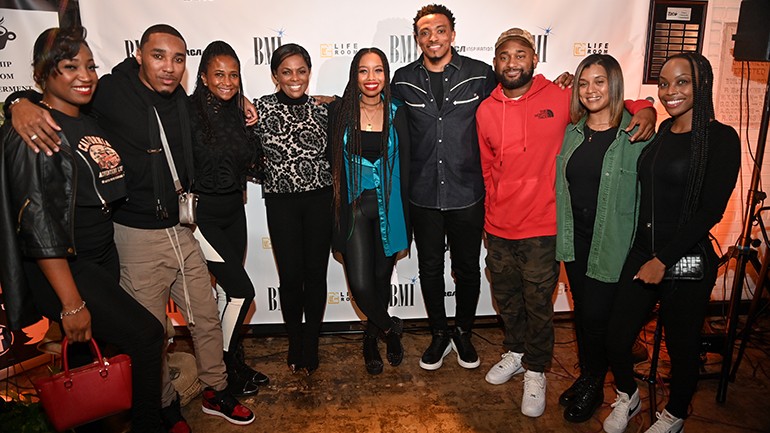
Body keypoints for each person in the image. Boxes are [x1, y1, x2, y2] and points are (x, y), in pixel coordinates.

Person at [5, 24, 255, 432]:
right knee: (151, 333)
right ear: (139, 55)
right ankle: (164, 407)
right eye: (158, 56)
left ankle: (215, 389)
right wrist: (17, 102)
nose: (169, 68)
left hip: (181, 228)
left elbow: (220, 103)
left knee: (205, 314)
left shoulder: (183, 102)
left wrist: (243, 102)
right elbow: (55, 92)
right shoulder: (109, 91)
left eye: (178, 59)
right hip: (134, 236)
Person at [476, 28, 655, 418]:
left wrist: (646, 106)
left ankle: (537, 370)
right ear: (496, 63)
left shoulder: (560, 97)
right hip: (499, 226)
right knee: (507, 300)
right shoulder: (485, 109)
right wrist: (491, 213)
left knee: (539, 304)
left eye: (520, 54)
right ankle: (516, 352)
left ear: (534, 59)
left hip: (543, 226)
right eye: (504, 56)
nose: (512, 63)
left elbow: (611, 103)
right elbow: (488, 167)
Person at [0, 27, 165, 433]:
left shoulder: (89, 119)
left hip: (100, 254)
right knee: (146, 336)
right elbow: (38, 223)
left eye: (89, 65)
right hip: (66, 264)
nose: (85, 75)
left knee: (85, 361)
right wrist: (70, 303)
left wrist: (15, 101)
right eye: (70, 66)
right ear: (43, 73)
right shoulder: (36, 128)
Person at [602, 52, 740, 433]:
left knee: (681, 348)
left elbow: (710, 210)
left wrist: (664, 259)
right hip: (644, 252)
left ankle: (676, 413)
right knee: (616, 336)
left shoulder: (721, 139)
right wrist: (644, 107)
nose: (670, 91)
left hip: (686, 259)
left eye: (682, 82)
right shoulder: (662, 131)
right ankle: (627, 396)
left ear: (702, 85)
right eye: (663, 83)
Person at [390, 3, 496, 372]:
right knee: (430, 268)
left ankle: (463, 332)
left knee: (467, 268)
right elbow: (371, 110)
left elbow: (518, 98)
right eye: (424, 32)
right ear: (417, 38)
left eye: (439, 30)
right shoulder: (402, 80)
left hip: (468, 192)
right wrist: (332, 103)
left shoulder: (482, 75)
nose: (432, 38)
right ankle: (439, 333)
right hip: (422, 194)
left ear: (452, 34)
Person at [554, 54, 652, 423]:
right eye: (583, 83)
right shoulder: (573, 131)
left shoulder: (638, 133)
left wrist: (647, 108)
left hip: (613, 245)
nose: (591, 90)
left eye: (599, 81)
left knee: (599, 320)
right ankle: (588, 376)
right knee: (584, 315)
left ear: (614, 85)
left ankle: (597, 385)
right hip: (576, 241)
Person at [190, 40, 268, 395]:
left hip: (234, 211)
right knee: (242, 291)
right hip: (202, 217)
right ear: (204, 77)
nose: (227, 81)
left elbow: (253, 163)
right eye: (218, 74)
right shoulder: (186, 111)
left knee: (227, 294)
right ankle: (218, 371)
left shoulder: (238, 112)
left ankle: (232, 363)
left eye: (233, 75)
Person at [327, 48, 410, 375]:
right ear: (354, 75)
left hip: (390, 209)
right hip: (355, 210)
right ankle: (391, 327)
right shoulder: (339, 112)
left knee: (380, 279)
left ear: (387, 75)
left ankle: (372, 337)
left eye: (378, 70)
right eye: (364, 71)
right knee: (361, 285)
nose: (371, 78)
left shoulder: (398, 112)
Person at [253, 43, 332, 375]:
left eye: (301, 71)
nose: (295, 78)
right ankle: (295, 340)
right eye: (287, 71)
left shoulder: (323, 110)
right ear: (275, 75)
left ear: (309, 73)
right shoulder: (260, 109)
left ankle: (311, 342)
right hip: (281, 203)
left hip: (319, 200)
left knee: (316, 274)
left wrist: (334, 100)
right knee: (290, 276)